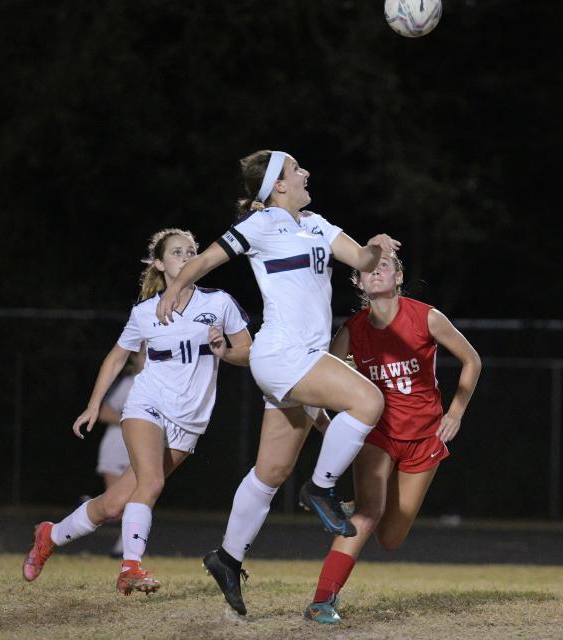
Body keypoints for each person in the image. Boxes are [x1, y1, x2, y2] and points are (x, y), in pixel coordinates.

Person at [156, 149, 400, 615]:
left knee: (270, 473)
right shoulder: (261, 224)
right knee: (368, 401)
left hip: (298, 358)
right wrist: (174, 288)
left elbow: (363, 259)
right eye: (295, 169)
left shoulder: (317, 223)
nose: (306, 171)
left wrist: (376, 248)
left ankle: (226, 557)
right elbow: (206, 259)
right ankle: (323, 488)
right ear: (278, 186)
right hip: (283, 354)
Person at [22, 228, 252, 595]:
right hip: (148, 403)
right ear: (159, 263)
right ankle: (130, 567)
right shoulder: (145, 312)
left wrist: (225, 349)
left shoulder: (219, 303)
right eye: (177, 252)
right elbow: (117, 358)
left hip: (189, 420)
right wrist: (94, 405)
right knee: (152, 483)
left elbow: (248, 352)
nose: (187, 256)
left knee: (114, 505)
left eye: (192, 251)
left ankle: (49, 535)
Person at [303, 253, 481, 624]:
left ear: (399, 276)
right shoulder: (352, 329)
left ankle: (354, 506)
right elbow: (322, 377)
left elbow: (472, 360)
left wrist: (456, 412)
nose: (375, 271)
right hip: (377, 434)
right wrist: (325, 421)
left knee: (391, 538)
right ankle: (322, 601)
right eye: (367, 268)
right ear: (358, 283)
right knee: (370, 516)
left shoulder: (426, 316)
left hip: (424, 436)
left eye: (384, 265)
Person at [94, 348, 146, 557]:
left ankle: (125, 549)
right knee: (115, 508)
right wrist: (133, 422)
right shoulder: (129, 383)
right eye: (144, 355)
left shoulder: (156, 385)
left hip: (137, 449)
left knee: (136, 501)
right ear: (135, 358)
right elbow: (104, 412)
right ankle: (84, 505)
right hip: (116, 448)